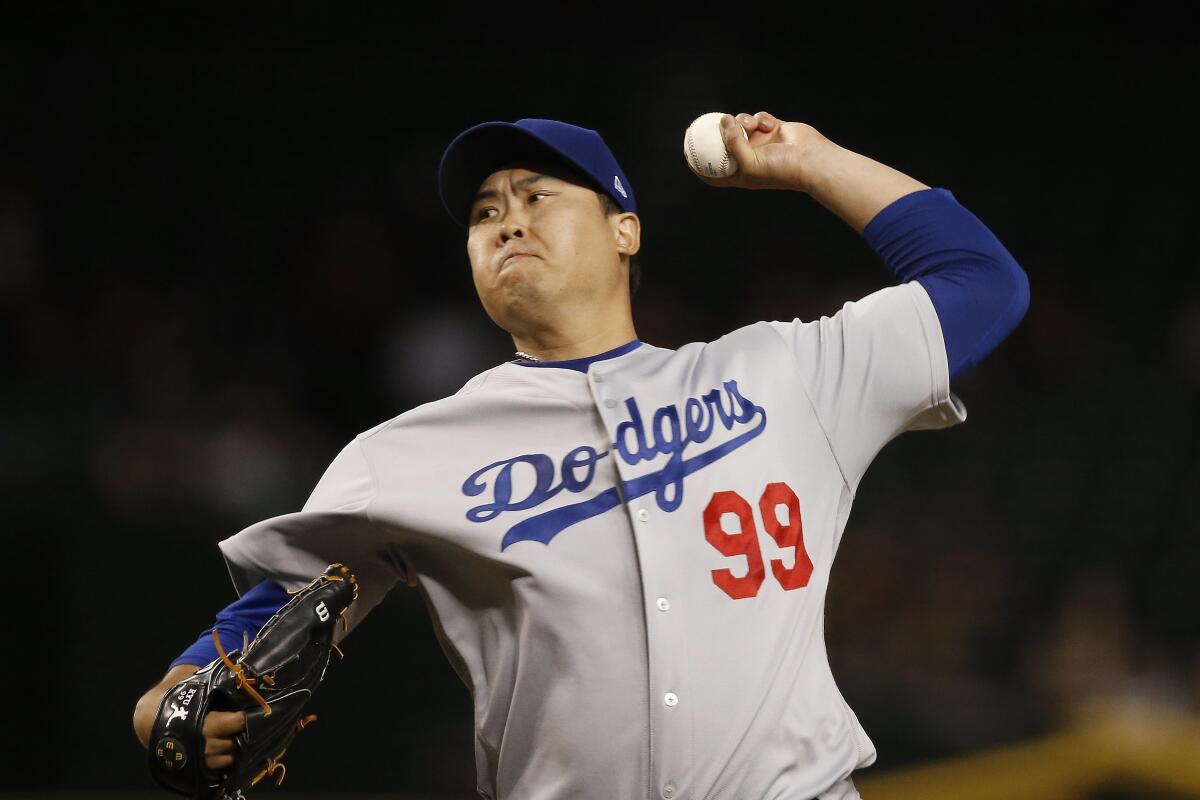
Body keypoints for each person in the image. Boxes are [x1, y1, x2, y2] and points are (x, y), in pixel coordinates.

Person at [134, 112, 1029, 800]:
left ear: (624, 231)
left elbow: (982, 283)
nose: (506, 222)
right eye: (486, 212)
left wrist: (806, 159)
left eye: (537, 196)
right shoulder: (407, 453)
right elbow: (265, 620)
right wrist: (167, 699)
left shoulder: (784, 372)